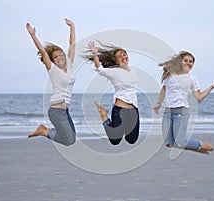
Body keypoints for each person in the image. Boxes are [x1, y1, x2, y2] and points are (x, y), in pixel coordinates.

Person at [153, 51, 214, 154]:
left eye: (191, 62)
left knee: (180, 141)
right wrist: (158, 103)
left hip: (181, 112)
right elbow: (164, 89)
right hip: (167, 113)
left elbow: (198, 97)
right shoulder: (170, 75)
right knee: (168, 143)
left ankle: (201, 145)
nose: (189, 63)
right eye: (186, 60)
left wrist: (210, 88)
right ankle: (197, 148)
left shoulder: (192, 79)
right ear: (180, 61)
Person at [26, 18, 76, 146]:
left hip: (65, 110)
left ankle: (44, 131)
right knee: (68, 140)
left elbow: (72, 44)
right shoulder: (53, 69)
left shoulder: (69, 66)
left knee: (72, 139)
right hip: (56, 111)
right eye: (55, 57)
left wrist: (72, 27)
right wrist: (33, 35)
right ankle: (44, 131)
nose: (59, 58)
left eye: (61, 55)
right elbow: (43, 52)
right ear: (52, 60)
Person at [85, 41, 140, 145]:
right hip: (120, 110)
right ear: (116, 61)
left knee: (132, 140)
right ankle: (104, 115)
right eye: (120, 56)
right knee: (115, 140)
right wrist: (95, 54)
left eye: (124, 54)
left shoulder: (133, 71)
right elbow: (99, 69)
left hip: (134, 110)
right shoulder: (114, 71)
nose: (123, 57)